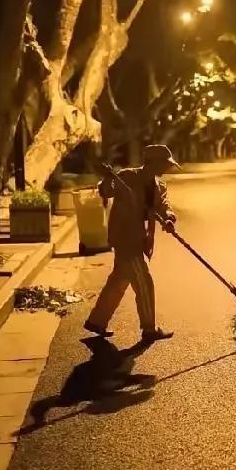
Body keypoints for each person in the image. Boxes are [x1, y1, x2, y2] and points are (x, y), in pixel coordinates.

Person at [84, 144, 179, 342]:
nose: (167, 168)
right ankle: (149, 329)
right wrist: (108, 178)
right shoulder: (126, 176)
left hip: (140, 237)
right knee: (144, 282)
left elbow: (163, 205)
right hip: (125, 237)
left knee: (119, 280)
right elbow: (106, 192)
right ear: (151, 163)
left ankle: (97, 321)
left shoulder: (159, 185)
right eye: (164, 164)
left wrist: (169, 218)